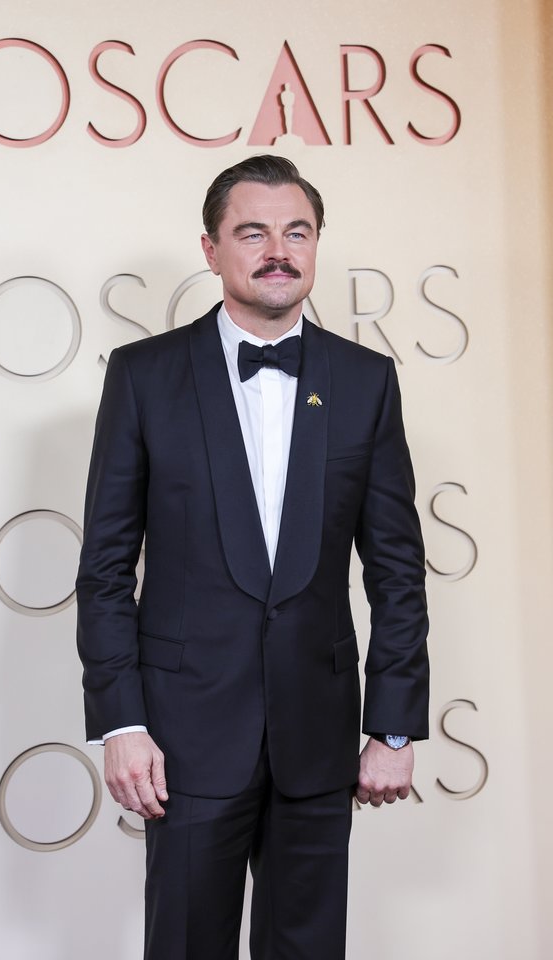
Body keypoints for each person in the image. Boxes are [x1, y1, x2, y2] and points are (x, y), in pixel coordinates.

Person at [76, 155, 429, 960]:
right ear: (211, 249)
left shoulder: (366, 380)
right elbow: (104, 570)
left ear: (316, 245)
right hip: (182, 739)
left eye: (297, 232)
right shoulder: (143, 376)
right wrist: (121, 721)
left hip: (319, 737)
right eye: (253, 233)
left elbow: (397, 570)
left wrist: (394, 726)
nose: (278, 251)